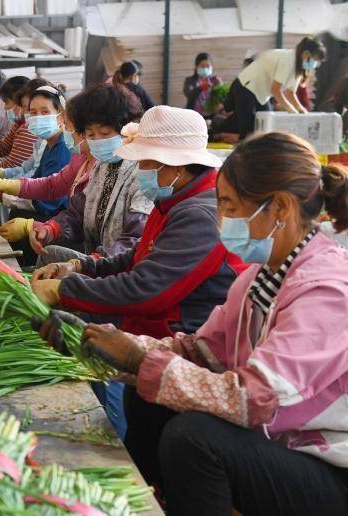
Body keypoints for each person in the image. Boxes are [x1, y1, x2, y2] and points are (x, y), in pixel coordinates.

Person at [36, 132, 348, 516]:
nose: (221, 221)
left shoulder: (327, 290)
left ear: (280, 208)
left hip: (331, 474)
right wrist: (100, 347)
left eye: (231, 209)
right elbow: (198, 351)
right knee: (151, 398)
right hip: (281, 447)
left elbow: (253, 399)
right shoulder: (260, 277)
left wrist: (140, 359)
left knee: (195, 439)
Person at [31, 106, 242, 437]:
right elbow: (137, 257)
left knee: (156, 440)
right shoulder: (175, 200)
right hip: (150, 343)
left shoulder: (200, 213)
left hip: (180, 349)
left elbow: (147, 288)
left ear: (177, 165)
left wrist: (65, 290)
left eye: (146, 163)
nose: (140, 169)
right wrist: (81, 265)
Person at [0, 83, 149, 268]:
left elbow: (134, 240)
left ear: (127, 128)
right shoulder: (102, 166)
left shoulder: (143, 175)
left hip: (116, 269)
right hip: (95, 262)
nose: (97, 141)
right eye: (90, 134)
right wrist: (51, 229)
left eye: (104, 133)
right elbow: (78, 212)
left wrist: (84, 265)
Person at [226, 36, 327, 139]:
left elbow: (290, 93)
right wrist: (292, 110)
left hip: (261, 94)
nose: (316, 64)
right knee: (249, 132)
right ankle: (218, 132)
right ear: (306, 54)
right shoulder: (289, 59)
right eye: (316, 60)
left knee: (266, 129)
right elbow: (275, 90)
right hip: (247, 87)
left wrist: (302, 111)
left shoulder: (298, 66)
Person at [183, 52, 222, 116]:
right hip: (194, 116)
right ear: (196, 67)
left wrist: (220, 86)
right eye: (202, 66)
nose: (205, 68)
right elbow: (189, 94)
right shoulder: (190, 80)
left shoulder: (215, 80)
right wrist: (200, 88)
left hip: (211, 117)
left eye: (208, 66)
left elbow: (222, 98)